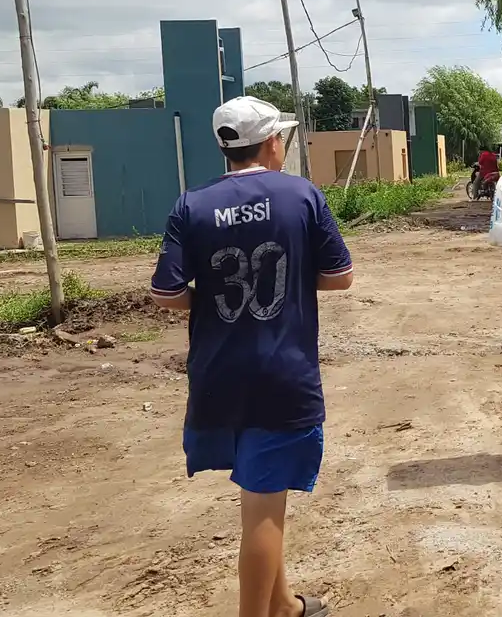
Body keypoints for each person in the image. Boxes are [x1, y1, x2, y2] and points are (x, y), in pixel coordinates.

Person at [150, 96, 354, 617]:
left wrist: (216, 302)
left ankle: (284, 604)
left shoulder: (191, 204)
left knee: (260, 491)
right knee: (265, 507)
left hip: (217, 376)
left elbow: (167, 293)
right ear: (270, 143)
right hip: (280, 375)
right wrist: (287, 286)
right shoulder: (300, 195)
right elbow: (341, 276)